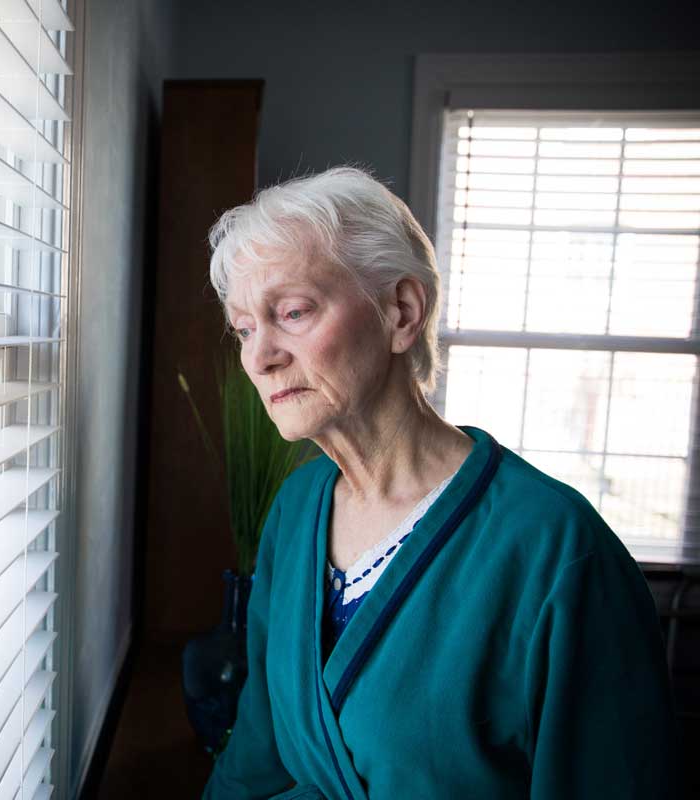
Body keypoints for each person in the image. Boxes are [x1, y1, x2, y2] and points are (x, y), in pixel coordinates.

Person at [200, 167, 678, 799]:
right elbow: (256, 759)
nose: (260, 357)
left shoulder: (558, 550)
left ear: (401, 310)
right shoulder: (297, 509)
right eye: (243, 328)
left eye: (291, 312)